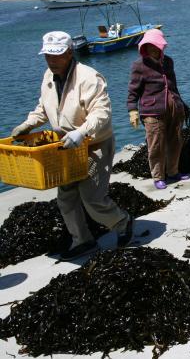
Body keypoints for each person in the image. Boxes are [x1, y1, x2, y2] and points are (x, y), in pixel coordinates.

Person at [11, 31, 133, 260]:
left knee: (92, 198)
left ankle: (122, 222)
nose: (51, 61)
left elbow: (102, 112)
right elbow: (43, 108)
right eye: (48, 55)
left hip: (94, 144)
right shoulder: (48, 75)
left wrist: (82, 131)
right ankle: (83, 240)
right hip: (65, 147)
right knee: (66, 196)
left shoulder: (89, 77)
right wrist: (27, 125)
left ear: (69, 53)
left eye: (56, 56)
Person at [127, 29, 188, 190]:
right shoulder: (138, 66)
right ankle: (158, 177)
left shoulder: (168, 62)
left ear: (161, 47)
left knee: (175, 141)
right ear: (144, 48)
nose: (152, 49)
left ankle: (173, 171)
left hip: (173, 108)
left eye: (155, 46)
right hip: (152, 112)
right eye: (149, 46)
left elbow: (173, 86)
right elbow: (133, 91)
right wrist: (132, 110)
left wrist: (182, 104)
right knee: (156, 145)